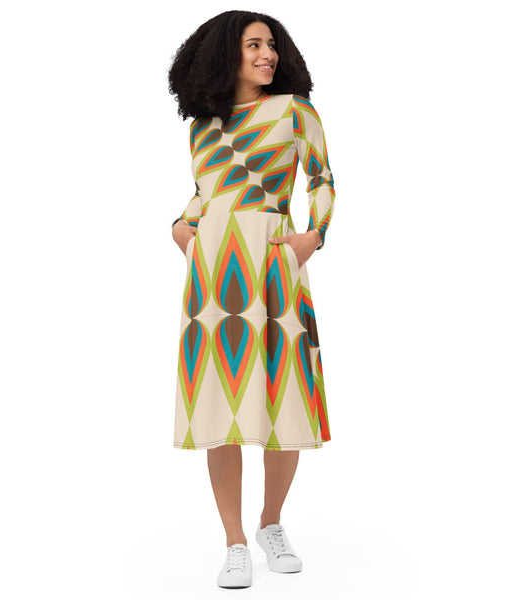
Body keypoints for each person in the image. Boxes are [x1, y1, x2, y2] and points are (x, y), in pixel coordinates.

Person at [168, 10, 336, 589]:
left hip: (274, 265)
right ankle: (234, 542)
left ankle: (271, 524)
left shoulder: (294, 111)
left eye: (272, 45)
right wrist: (180, 225)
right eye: (254, 45)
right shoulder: (202, 127)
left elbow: (322, 181)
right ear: (226, 55)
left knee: (284, 395)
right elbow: (204, 192)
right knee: (220, 403)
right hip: (215, 274)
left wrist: (314, 236)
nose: (268, 55)